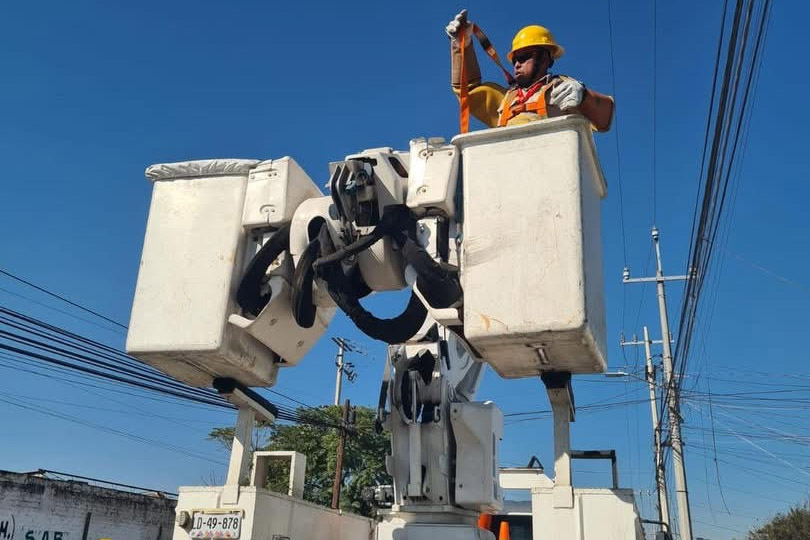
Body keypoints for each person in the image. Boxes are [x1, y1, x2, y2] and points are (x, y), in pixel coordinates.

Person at [446, 10, 614, 131]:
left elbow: (604, 119)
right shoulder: (506, 101)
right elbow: (467, 93)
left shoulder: (563, 89)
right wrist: (462, 46)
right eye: (515, 59)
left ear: (546, 58)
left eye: (525, 56)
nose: (517, 64)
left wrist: (584, 97)